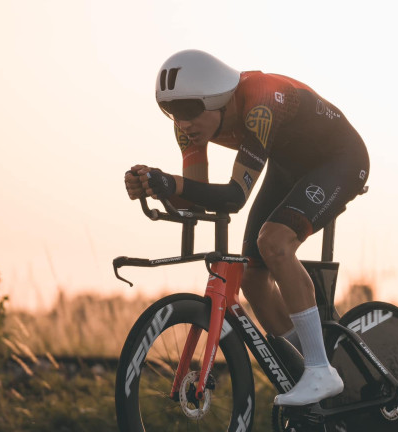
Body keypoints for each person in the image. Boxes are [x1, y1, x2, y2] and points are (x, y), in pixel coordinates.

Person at [124, 49, 369, 406]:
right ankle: (310, 367)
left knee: (275, 243)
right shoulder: (188, 130)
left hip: (340, 159)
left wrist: (172, 183)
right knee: (252, 276)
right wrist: (156, 188)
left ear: (217, 98)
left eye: (190, 109)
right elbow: (197, 198)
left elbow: (234, 196)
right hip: (288, 166)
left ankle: (320, 369)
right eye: (172, 111)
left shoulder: (261, 102)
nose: (183, 122)